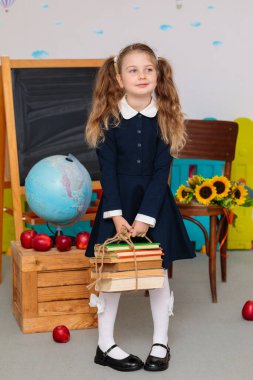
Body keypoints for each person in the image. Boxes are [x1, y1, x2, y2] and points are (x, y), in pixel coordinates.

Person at [85, 43, 196, 372]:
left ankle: (160, 342)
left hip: (154, 205)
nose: (142, 75)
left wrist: (145, 220)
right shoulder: (107, 119)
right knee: (112, 274)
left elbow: (162, 173)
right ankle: (104, 345)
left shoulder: (166, 119)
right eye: (133, 70)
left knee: (157, 275)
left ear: (158, 74)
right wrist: (118, 216)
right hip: (117, 205)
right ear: (119, 78)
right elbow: (108, 172)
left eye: (148, 69)